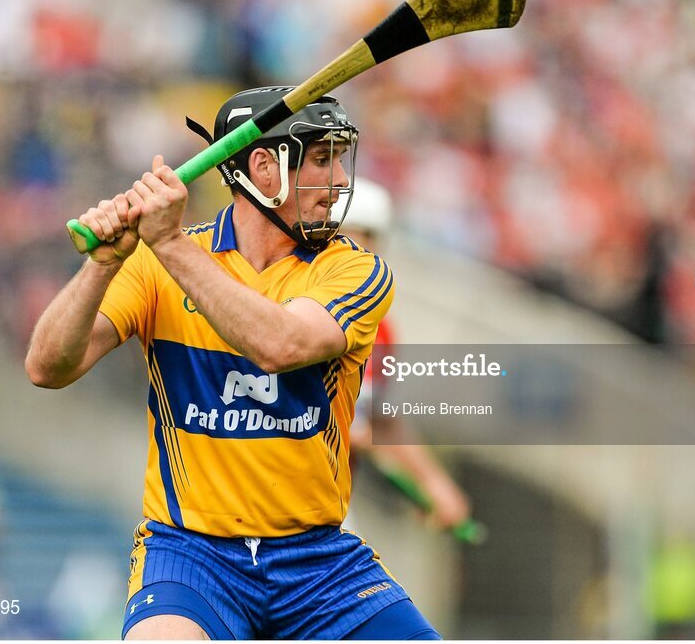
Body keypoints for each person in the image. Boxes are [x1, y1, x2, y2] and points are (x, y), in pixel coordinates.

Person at [25, 86, 440, 640]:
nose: (341, 179)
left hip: (319, 563)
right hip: (191, 556)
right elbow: (47, 367)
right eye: (322, 159)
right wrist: (102, 265)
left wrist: (169, 245)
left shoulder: (356, 271)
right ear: (264, 169)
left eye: (340, 158)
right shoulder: (152, 266)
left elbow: (281, 346)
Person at [334, 178, 472, 533]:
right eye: (350, 237)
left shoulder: (380, 328)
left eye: (371, 239)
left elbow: (381, 418)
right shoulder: (291, 307)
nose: (362, 252)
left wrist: (433, 483)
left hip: (333, 500)